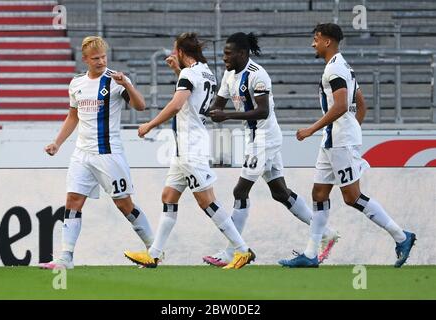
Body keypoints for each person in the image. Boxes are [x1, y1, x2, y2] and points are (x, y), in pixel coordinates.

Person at [279, 23, 416, 268]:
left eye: (316, 39)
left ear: (326, 41)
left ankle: (401, 236)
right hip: (333, 141)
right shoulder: (344, 67)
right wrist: (351, 130)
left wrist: (313, 129)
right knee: (319, 193)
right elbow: (360, 104)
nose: (313, 44)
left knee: (352, 197)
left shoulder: (335, 70)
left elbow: (342, 106)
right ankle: (311, 254)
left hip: (339, 142)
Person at [202, 32, 339, 267]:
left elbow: (262, 111)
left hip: (264, 139)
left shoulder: (258, 75)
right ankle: (326, 232)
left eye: (228, 53)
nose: (224, 57)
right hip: (255, 138)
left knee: (240, 191)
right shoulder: (228, 75)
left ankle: (233, 252)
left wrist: (228, 116)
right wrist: (205, 110)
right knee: (279, 192)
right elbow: (218, 107)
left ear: (242, 53)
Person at [123, 32, 255, 269]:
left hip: (190, 146)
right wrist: (177, 71)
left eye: (176, 51)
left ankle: (242, 250)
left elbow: (177, 105)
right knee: (169, 196)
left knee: (207, 201)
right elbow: (193, 97)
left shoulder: (188, 74)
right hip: (186, 146)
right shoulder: (206, 72)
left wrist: (150, 124)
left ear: (182, 52)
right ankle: (154, 253)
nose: (174, 54)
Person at [40, 36, 154, 269]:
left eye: (103, 56)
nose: (101, 61)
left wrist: (128, 85)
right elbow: (73, 116)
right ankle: (66, 258)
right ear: (85, 60)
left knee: (125, 205)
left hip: (108, 154)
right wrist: (57, 143)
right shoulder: (76, 84)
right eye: (96, 58)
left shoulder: (115, 81)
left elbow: (141, 106)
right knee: (72, 200)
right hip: (82, 154)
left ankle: (154, 249)